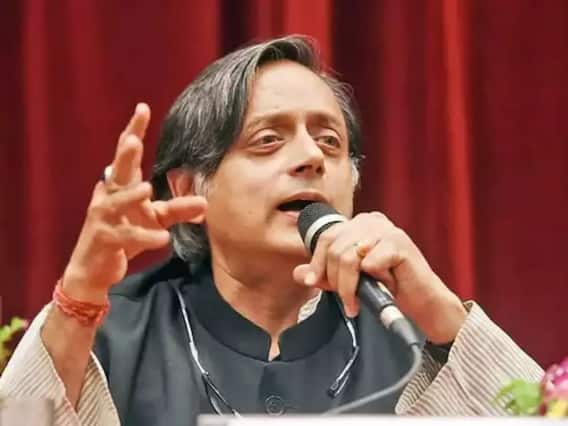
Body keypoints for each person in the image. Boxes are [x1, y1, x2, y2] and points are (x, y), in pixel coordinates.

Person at [0, 35, 542, 426]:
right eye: (267, 140)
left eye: (330, 142)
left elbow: (543, 416)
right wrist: (77, 300)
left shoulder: (408, 338)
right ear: (189, 188)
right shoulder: (111, 337)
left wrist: (442, 313)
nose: (311, 157)